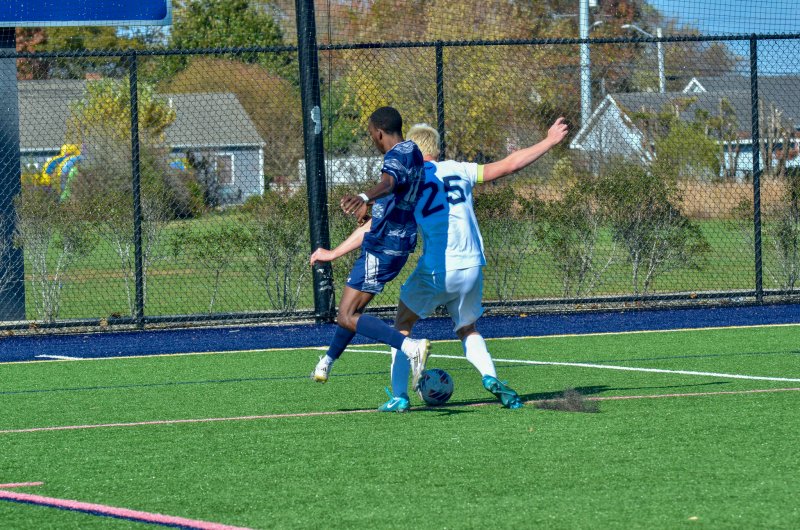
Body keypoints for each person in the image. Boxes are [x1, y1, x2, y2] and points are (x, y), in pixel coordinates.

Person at [383, 118, 569, 411]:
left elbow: (384, 220)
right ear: (437, 148)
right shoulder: (460, 169)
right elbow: (510, 165)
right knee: (467, 328)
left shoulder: (410, 180)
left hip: (438, 267)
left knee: (402, 326)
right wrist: (548, 141)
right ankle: (490, 378)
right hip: (472, 265)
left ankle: (398, 396)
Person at [309, 106, 431, 403]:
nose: (372, 141)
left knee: (347, 314)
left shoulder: (395, 157)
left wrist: (365, 196)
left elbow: (388, 182)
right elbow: (391, 198)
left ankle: (410, 348)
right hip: (396, 244)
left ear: (378, 133)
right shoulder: (413, 152)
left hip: (383, 247)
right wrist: (334, 252)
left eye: (370, 135)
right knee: (351, 313)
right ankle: (327, 361)